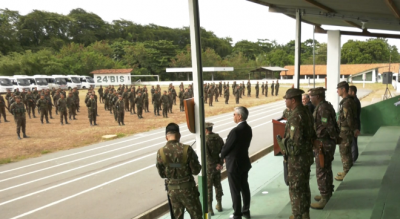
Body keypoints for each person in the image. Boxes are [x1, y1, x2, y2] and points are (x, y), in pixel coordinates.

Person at [277, 88, 315, 219]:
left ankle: (298, 214)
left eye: (286, 99)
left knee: (296, 188)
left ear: (293, 100)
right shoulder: (305, 111)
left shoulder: (295, 117)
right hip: (306, 157)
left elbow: (295, 144)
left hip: (297, 159)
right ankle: (305, 214)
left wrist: (284, 146)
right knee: (304, 186)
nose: (285, 101)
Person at [156, 123, 203, 219]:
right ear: (179, 135)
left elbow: (162, 174)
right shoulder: (187, 149)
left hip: (172, 191)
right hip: (188, 190)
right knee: (196, 215)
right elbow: (196, 170)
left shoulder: (161, 152)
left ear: (166, 137)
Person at [309, 87, 340, 209]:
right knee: (326, 169)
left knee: (322, 170)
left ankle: (325, 197)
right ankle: (326, 193)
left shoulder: (323, 108)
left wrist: (333, 139)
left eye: (311, 96)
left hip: (324, 144)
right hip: (324, 142)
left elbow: (329, 126)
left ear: (318, 96)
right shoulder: (323, 106)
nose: (310, 98)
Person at [221, 106, 252, 219]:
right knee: (244, 187)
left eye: (234, 114)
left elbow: (226, 147)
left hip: (234, 164)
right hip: (244, 162)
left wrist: (222, 156)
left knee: (235, 190)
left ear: (239, 116)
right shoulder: (248, 128)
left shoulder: (235, 131)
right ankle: (246, 210)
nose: (233, 116)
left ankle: (237, 214)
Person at [336, 81, 359, 181]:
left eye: (338, 89)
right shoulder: (348, 101)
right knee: (347, 153)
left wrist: (353, 130)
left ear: (343, 89)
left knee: (345, 153)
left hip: (345, 132)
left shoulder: (347, 102)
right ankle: (346, 171)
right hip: (346, 131)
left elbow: (349, 119)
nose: (337, 91)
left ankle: (347, 172)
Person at [205, 122, 225, 216]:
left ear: (205, 130)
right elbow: (223, 152)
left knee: (209, 188)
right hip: (218, 166)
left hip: (209, 167)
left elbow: (207, 156)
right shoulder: (219, 138)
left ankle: (210, 209)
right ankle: (219, 204)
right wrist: (220, 164)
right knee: (218, 185)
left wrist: (213, 165)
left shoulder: (205, 140)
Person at [349, 85, 361, 162]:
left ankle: (354, 159)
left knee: (353, 142)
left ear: (353, 92)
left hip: (354, 125)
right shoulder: (355, 100)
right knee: (353, 142)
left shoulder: (354, 101)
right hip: (355, 125)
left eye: (349, 91)